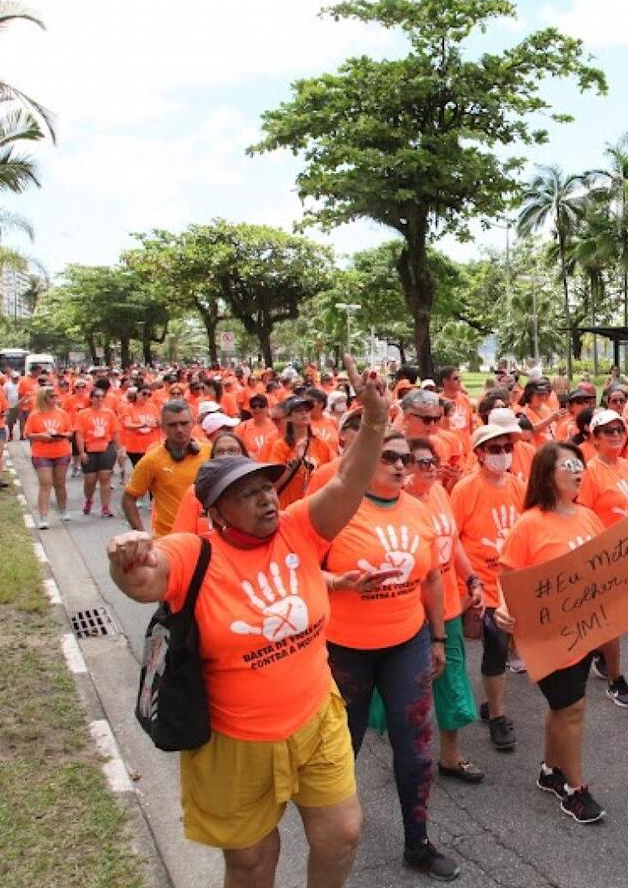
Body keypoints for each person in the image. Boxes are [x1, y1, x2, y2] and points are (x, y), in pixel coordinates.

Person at [104, 358, 386, 888]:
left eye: (266, 487)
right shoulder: (196, 553)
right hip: (233, 741)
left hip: (315, 720)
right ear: (215, 513)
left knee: (343, 834)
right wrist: (127, 557)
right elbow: (144, 582)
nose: (264, 498)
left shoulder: (301, 528)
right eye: (246, 493)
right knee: (253, 861)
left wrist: (374, 421)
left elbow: (351, 478)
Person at [321, 428, 461, 877]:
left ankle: (417, 843)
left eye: (405, 458)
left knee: (416, 748)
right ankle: (331, 838)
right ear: (362, 459)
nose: (400, 465)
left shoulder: (418, 510)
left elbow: (433, 578)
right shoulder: (334, 510)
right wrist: (333, 583)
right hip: (346, 651)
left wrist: (438, 638)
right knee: (344, 747)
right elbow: (297, 567)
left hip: (407, 642)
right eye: (387, 457)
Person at [494, 441, 610, 823]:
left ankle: (549, 771)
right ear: (547, 475)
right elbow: (507, 577)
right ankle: (575, 790)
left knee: (562, 708)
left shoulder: (588, 517)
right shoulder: (529, 524)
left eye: (580, 465)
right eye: (568, 466)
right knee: (573, 707)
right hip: (546, 637)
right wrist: (505, 609)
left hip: (584, 632)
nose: (578, 472)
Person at [449, 417, 527, 752]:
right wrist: (467, 590)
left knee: (501, 648)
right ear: (479, 453)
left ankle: (490, 703)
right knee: (495, 649)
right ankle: (497, 716)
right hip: (483, 586)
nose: (503, 454)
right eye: (495, 449)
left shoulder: (517, 486)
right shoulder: (466, 489)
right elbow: (451, 540)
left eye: (508, 448)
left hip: (512, 584)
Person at [572, 408, 628, 708]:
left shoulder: (627, 466)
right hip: (602, 553)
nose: (615, 435)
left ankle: (601, 651)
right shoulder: (589, 472)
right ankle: (615, 679)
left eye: (619, 430)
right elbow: (581, 514)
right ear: (594, 437)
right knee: (611, 620)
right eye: (608, 431)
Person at [123, 400, 213, 537]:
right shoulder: (151, 460)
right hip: (169, 539)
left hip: (206, 536)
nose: (179, 429)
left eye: (184, 423)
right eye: (173, 425)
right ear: (163, 427)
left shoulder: (209, 452)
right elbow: (128, 499)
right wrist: (141, 535)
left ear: (193, 423)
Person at [263, 396, 335, 509]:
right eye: (298, 411)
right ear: (289, 418)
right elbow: (274, 484)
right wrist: (294, 462)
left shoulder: (321, 444)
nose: (304, 413)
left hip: (314, 507)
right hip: (288, 508)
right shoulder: (280, 446)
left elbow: (333, 472)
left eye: (306, 410)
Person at [24, 385, 72, 529]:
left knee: (60, 482)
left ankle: (63, 509)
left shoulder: (62, 413)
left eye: (56, 396)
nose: (55, 399)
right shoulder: (35, 415)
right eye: (51, 396)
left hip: (61, 451)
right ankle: (43, 517)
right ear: (43, 398)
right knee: (45, 484)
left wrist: (61, 435)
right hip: (41, 452)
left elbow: (69, 431)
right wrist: (41, 436)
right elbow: (28, 434)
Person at [75, 385, 121, 517]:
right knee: (90, 479)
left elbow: (115, 432)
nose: (100, 399)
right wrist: (82, 451)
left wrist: (119, 448)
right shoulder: (83, 414)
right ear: (91, 398)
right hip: (89, 448)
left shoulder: (109, 413)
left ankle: (105, 507)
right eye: (97, 396)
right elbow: (79, 433)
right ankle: (89, 500)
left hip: (105, 447)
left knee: (105, 478)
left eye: (102, 396)